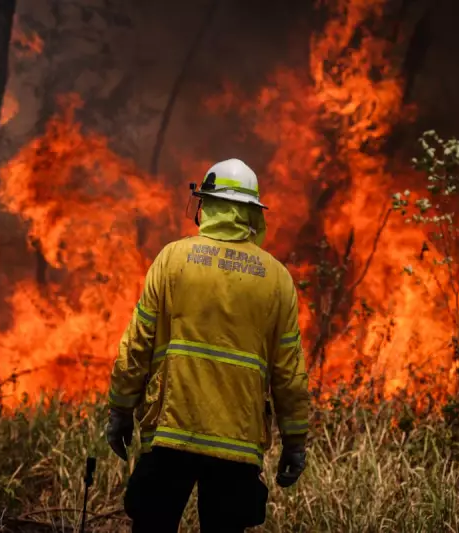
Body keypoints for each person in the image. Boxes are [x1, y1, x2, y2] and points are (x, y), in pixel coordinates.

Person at [106, 158, 309, 532]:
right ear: (252, 213)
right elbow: (289, 373)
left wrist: (120, 409)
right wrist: (295, 441)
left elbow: (137, 345)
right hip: (237, 444)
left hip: (170, 434)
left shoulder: (172, 259)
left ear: (205, 205)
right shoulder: (277, 279)